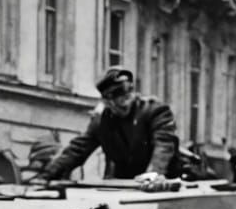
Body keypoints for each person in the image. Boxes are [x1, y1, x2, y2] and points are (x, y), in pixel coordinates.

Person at [41, 67, 182, 182]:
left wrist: (154, 173)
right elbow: (77, 150)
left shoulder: (155, 111)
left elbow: (164, 146)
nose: (126, 99)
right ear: (108, 101)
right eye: (119, 94)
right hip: (127, 185)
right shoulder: (102, 122)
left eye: (129, 90)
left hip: (166, 185)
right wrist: (46, 176)